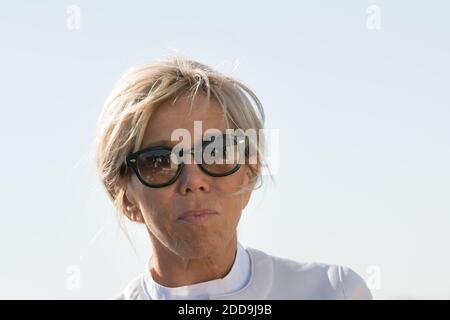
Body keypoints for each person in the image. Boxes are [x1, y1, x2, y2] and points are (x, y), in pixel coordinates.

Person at [95, 55, 372, 300]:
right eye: (160, 161)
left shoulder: (334, 292)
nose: (193, 180)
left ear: (249, 173)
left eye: (216, 152)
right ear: (125, 197)